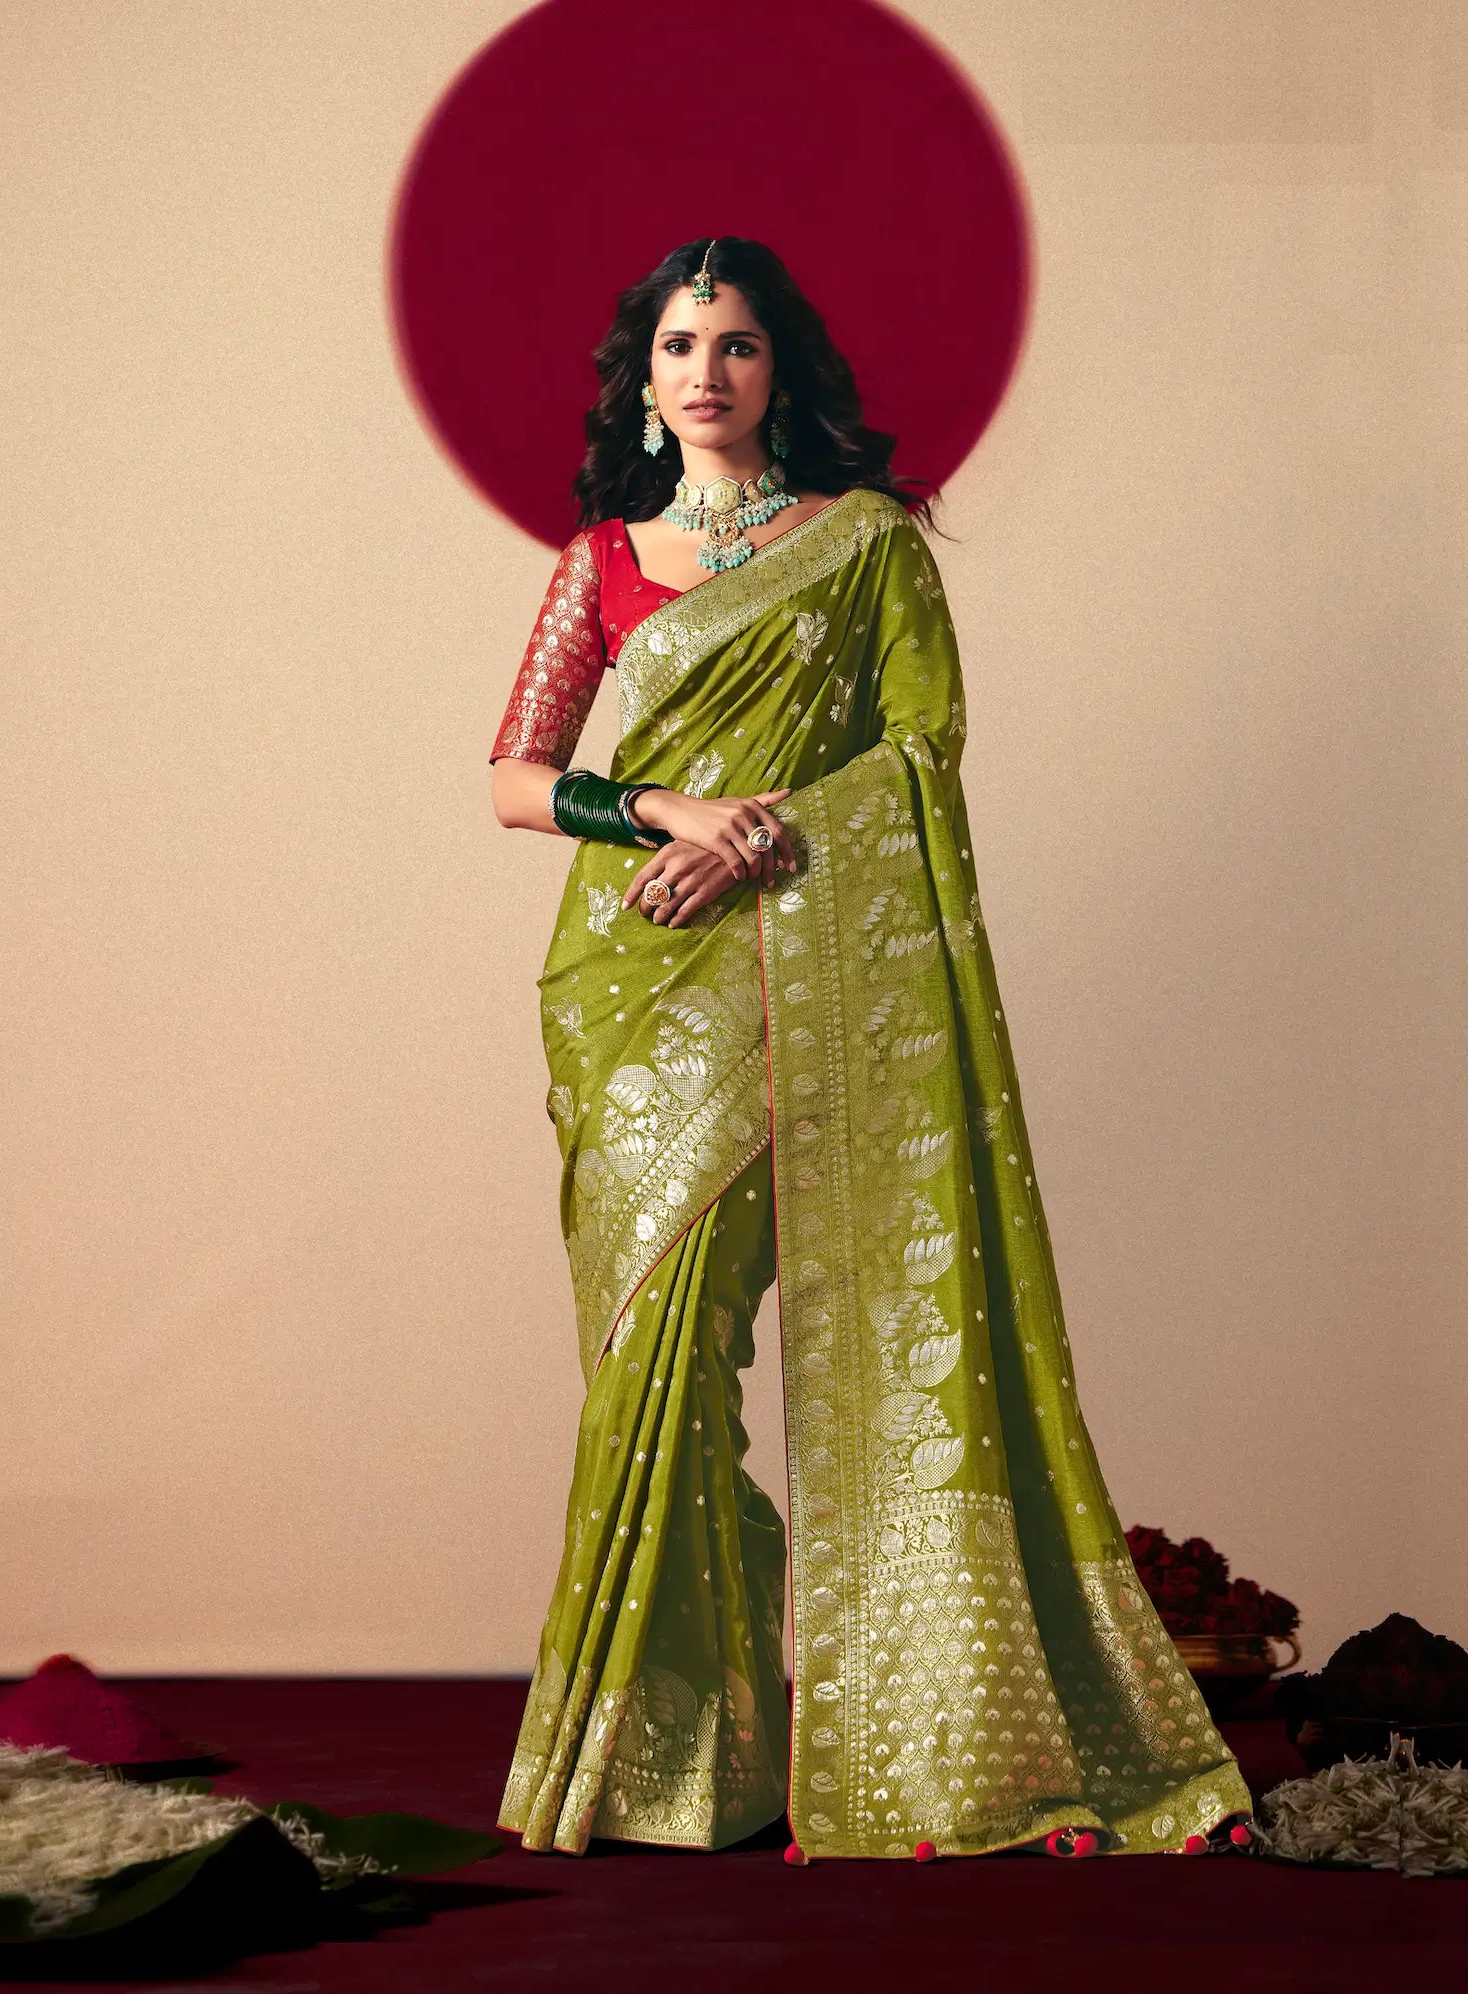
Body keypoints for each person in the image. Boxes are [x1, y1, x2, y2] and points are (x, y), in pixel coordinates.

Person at [487, 236, 1253, 1863]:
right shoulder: (601, 559)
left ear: (783, 371)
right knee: (656, 1358)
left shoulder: (866, 546)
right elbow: (512, 775)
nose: (705, 370)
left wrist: (764, 838)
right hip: (630, 978)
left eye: (737, 343)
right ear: (641, 381)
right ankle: (681, 1757)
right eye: (679, 344)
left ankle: (889, 1726)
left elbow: (922, 748)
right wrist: (670, 811)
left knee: (787, 1326)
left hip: (804, 956)